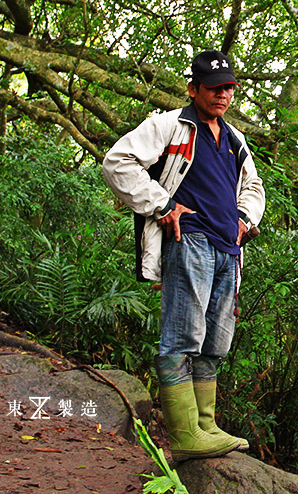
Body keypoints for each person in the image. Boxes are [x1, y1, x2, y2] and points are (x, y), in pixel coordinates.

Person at [102, 50, 265, 461]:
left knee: (215, 342)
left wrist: (244, 219)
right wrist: (163, 204)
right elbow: (118, 161)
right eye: (214, 88)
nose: (222, 95)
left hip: (230, 248)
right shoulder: (169, 126)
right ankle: (184, 433)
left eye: (228, 88)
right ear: (193, 89)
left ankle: (205, 424)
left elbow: (254, 187)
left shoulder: (234, 139)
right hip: (190, 240)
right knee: (183, 335)